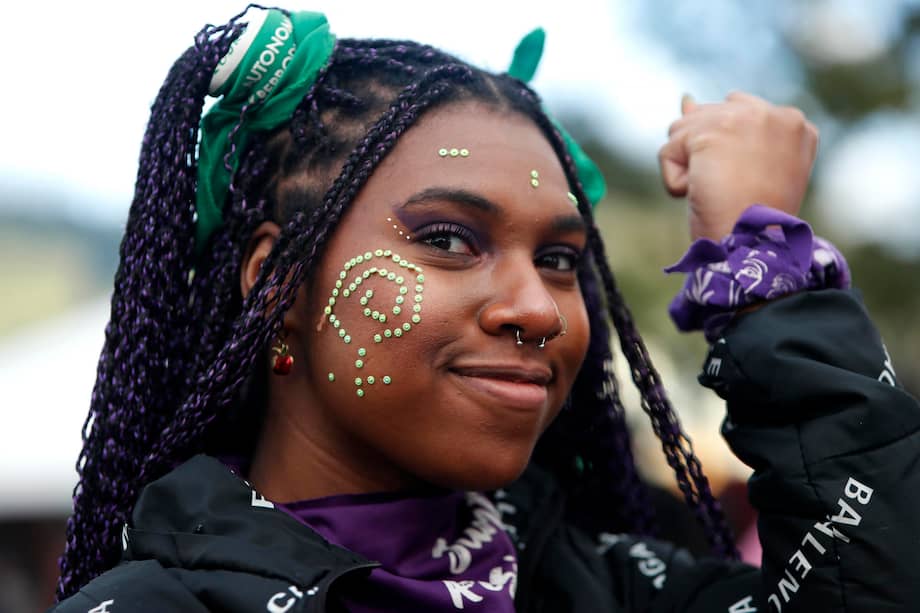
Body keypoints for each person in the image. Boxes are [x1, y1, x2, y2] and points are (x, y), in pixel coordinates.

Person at [50, 6, 920, 612]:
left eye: (560, 259)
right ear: (278, 285)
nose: (538, 307)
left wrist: (763, 273)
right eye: (449, 239)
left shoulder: (622, 589)